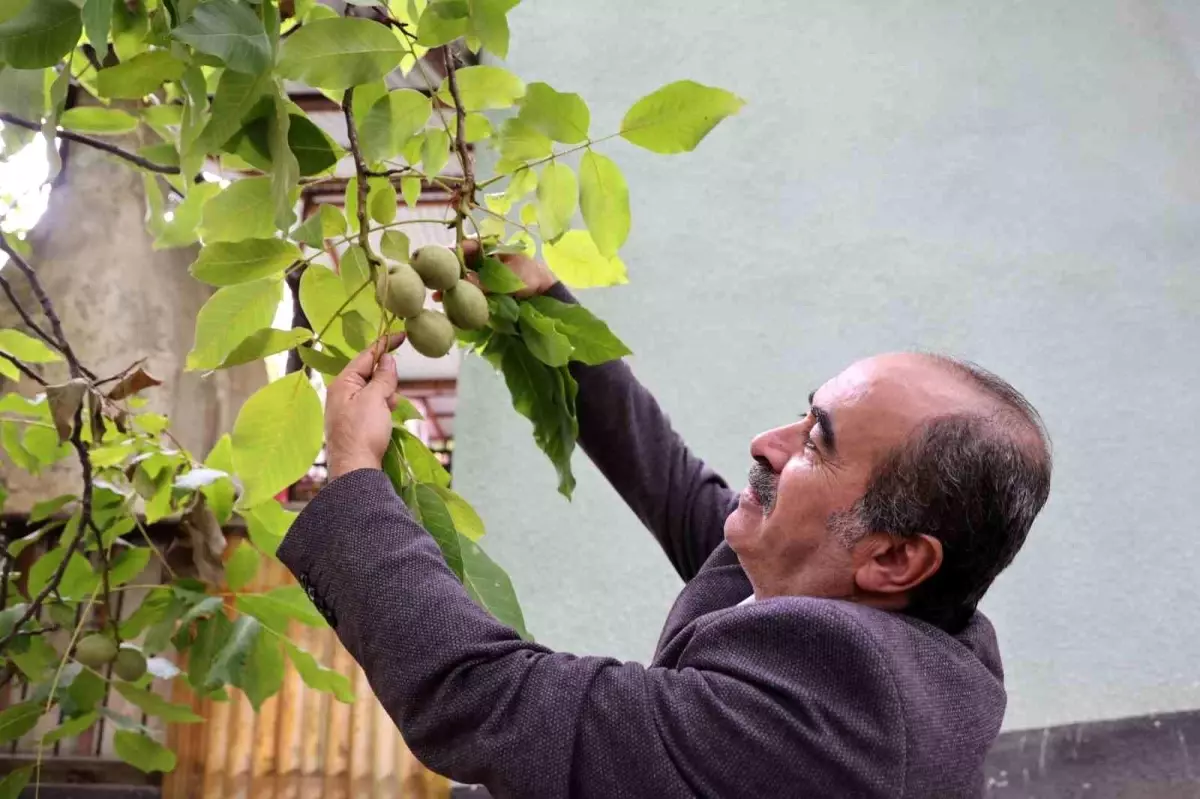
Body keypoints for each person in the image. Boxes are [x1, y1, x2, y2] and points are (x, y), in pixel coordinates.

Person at [278, 249, 1052, 799]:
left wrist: (354, 477)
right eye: (802, 410)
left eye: (817, 441)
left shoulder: (834, 720)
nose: (767, 442)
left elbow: (494, 702)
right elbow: (682, 494)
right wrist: (547, 306)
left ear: (893, 557)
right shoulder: (886, 612)